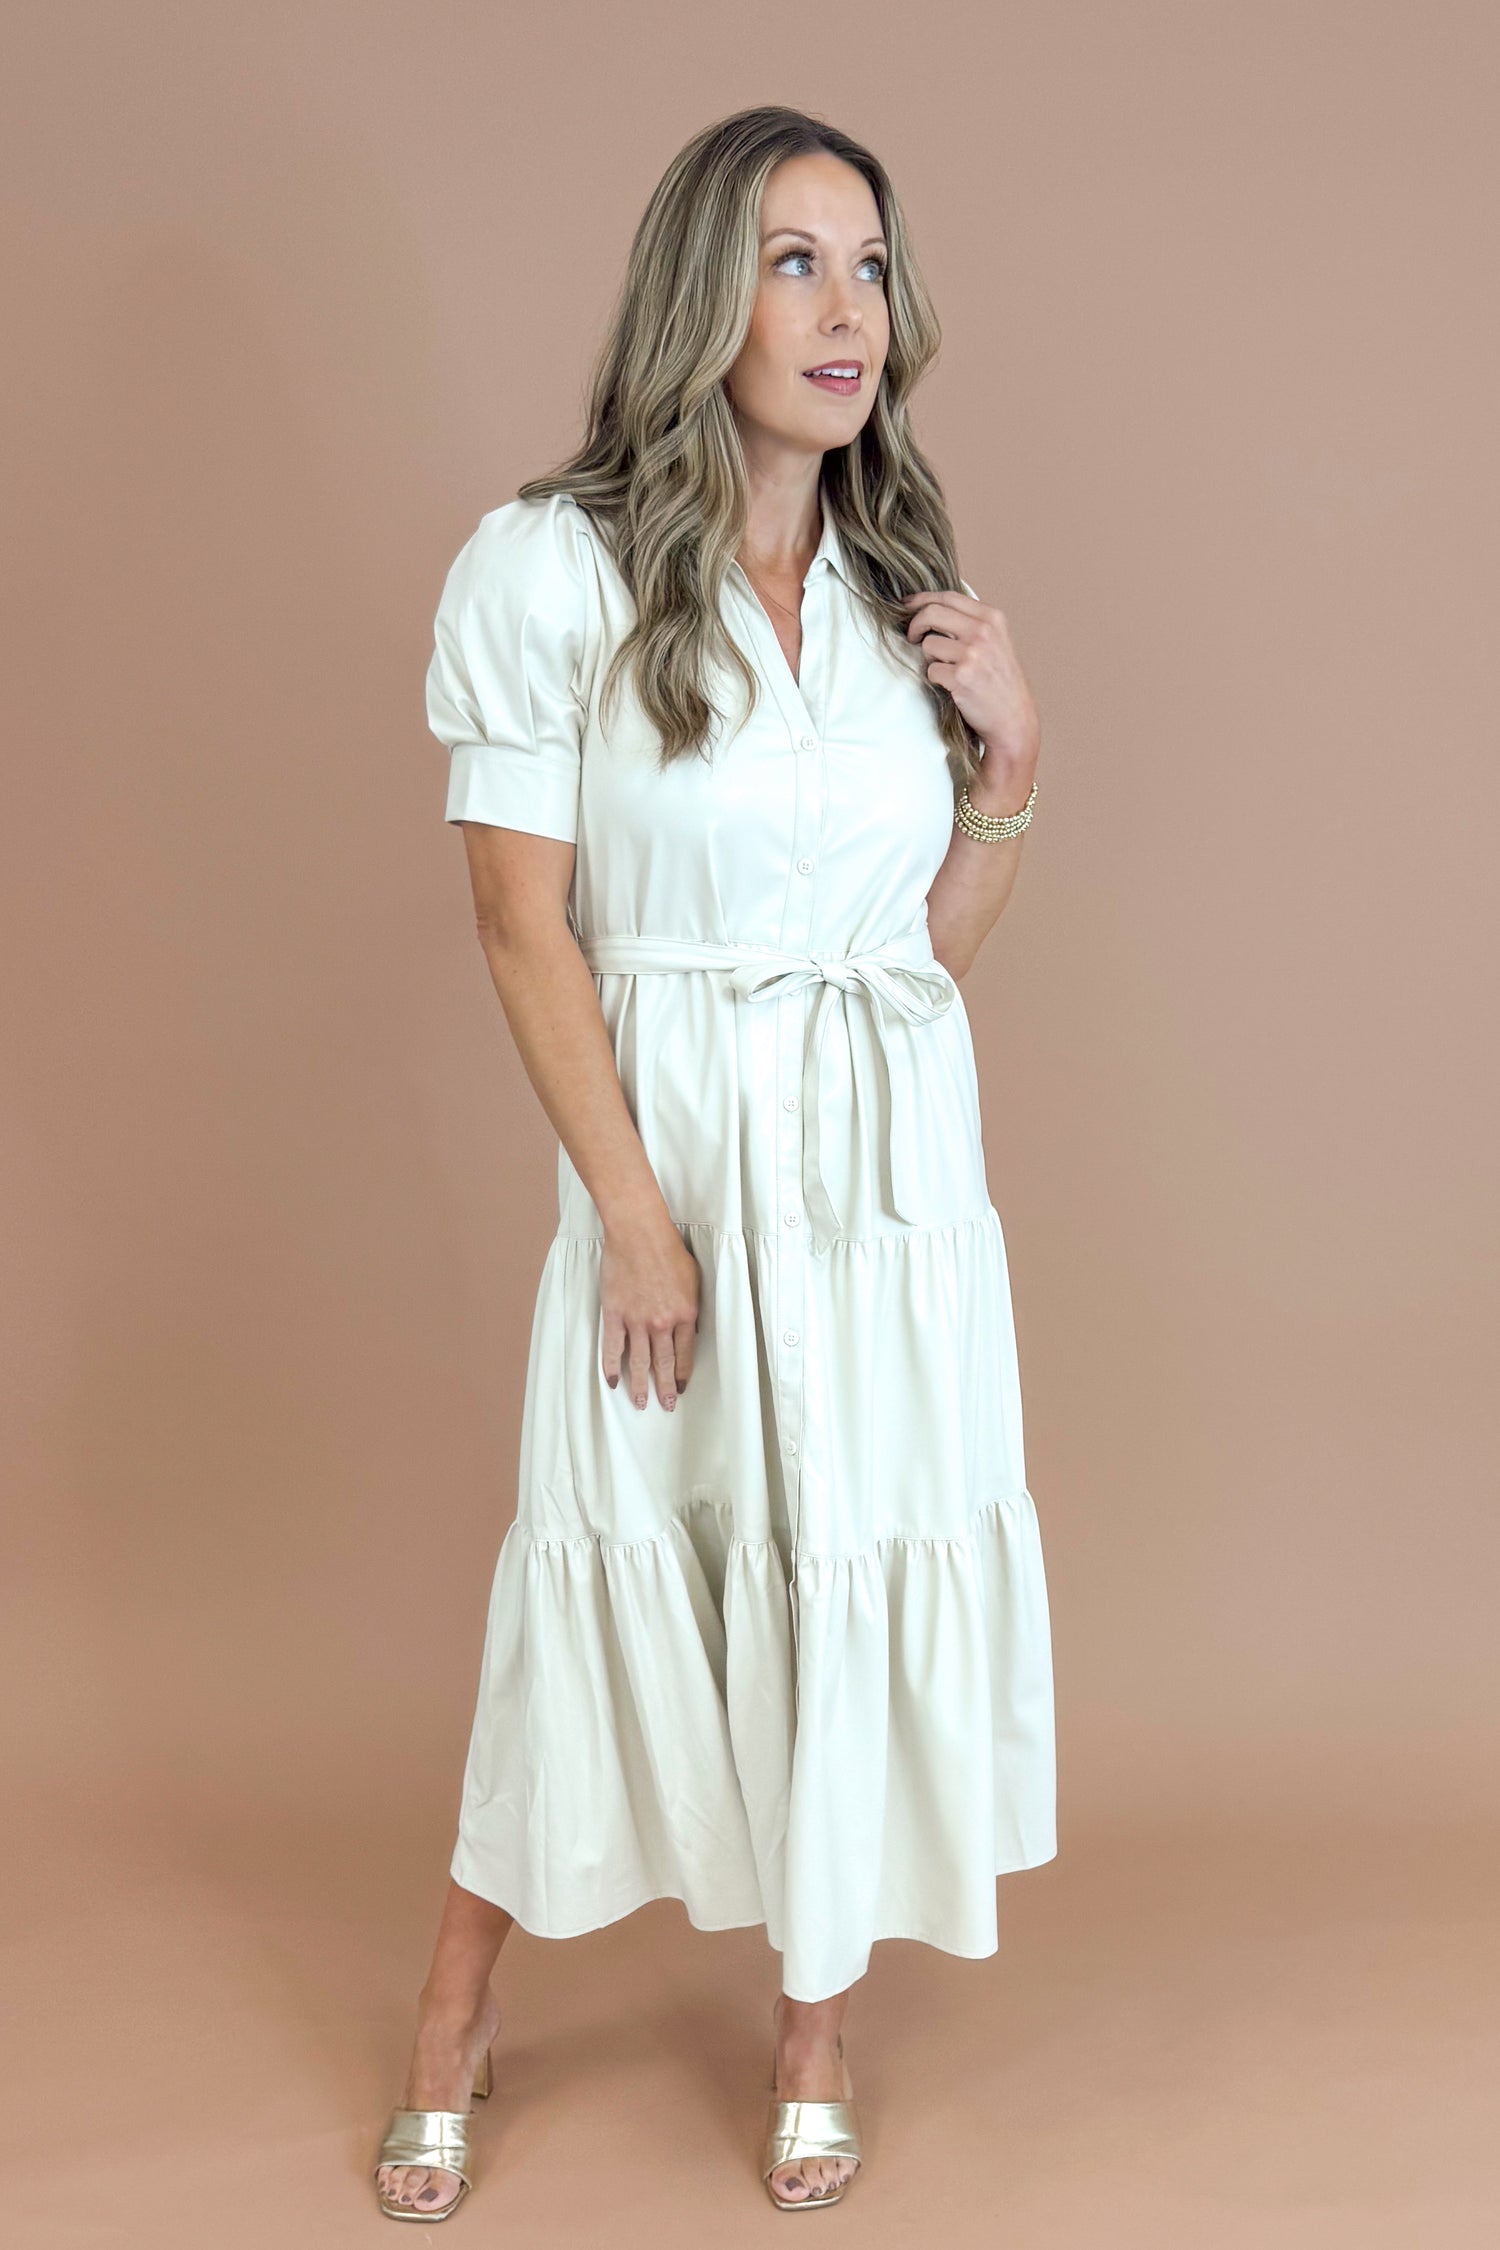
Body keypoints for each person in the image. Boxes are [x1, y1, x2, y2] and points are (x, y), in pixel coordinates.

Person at [374, 102, 1057, 2221]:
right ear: (701, 295)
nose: (845, 310)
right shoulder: (548, 568)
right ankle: (454, 2014)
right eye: (791, 262)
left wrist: (1013, 768)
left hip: (884, 1203)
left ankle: (814, 2035)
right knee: (606, 1558)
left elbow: (910, 968)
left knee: (845, 1561)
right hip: (666, 1175)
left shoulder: (892, 595)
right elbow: (517, 920)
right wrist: (638, 1219)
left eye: (866, 266)